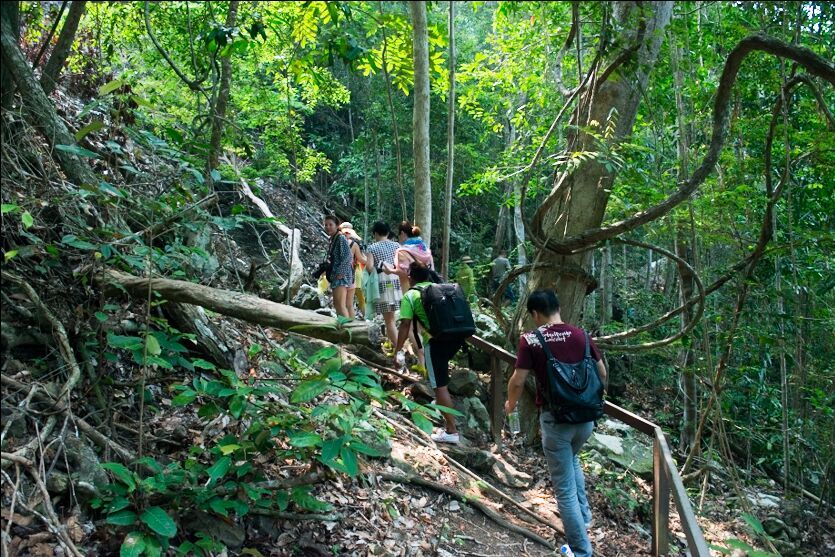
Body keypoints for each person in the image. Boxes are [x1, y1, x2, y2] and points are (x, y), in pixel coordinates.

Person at [505, 289, 607, 557]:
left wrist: (511, 404)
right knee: (572, 459)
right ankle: (584, 518)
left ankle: (580, 550)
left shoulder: (531, 340)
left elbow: (518, 380)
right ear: (558, 307)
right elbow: (602, 373)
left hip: (556, 419)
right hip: (585, 419)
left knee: (563, 489)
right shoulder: (582, 335)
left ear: (535, 314)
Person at [395, 262, 463, 444]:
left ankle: (451, 431)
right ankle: (442, 405)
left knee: (439, 386)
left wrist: (398, 349)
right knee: (440, 376)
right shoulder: (438, 287)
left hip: (435, 342)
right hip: (455, 338)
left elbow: (404, 325)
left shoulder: (410, 295)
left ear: (411, 277)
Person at [365, 221, 403, 345]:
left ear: (375, 233)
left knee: (389, 320)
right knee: (394, 317)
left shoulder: (372, 247)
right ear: (388, 232)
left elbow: (370, 267)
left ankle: (398, 349)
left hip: (382, 281)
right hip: (396, 281)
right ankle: (394, 345)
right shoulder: (396, 245)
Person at [385, 221, 434, 293]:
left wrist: (390, 270)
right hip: (429, 290)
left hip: (412, 291)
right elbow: (432, 269)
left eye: (399, 235)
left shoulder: (402, 251)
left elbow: (404, 272)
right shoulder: (424, 248)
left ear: (402, 233)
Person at [321, 215, 354, 319]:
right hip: (336, 275)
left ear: (336, 226)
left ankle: (347, 330)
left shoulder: (340, 238)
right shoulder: (333, 238)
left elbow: (348, 257)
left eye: (330, 224)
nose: (328, 227)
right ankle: (343, 327)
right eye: (326, 225)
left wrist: (341, 273)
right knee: (337, 304)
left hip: (341, 276)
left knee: (340, 304)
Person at [339, 222, 367, 318]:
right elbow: (362, 259)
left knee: (340, 304)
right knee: (350, 304)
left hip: (338, 275)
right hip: (351, 274)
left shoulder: (335, 242)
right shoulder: (354, 244)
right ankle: (352, 324)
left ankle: (341, 324)